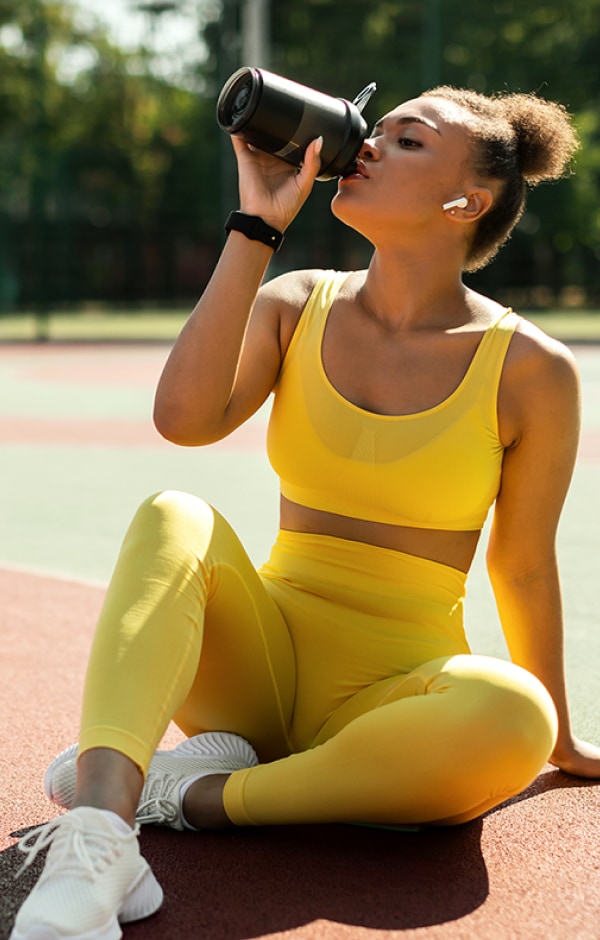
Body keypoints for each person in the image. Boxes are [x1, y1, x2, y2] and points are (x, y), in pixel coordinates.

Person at [10, 83, 600, 940]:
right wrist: (257, 225)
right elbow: (184, 420)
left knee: (513, 710)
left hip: (390, 705)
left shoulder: (532, 369)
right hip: (257, 672)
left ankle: (193, 796)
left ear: (464, 201)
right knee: (176, 511)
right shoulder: (298, 301)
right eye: (378, 125)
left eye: (407, 139)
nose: (366, 142)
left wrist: (559, 735)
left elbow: (522, 562)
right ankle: (98, 835)